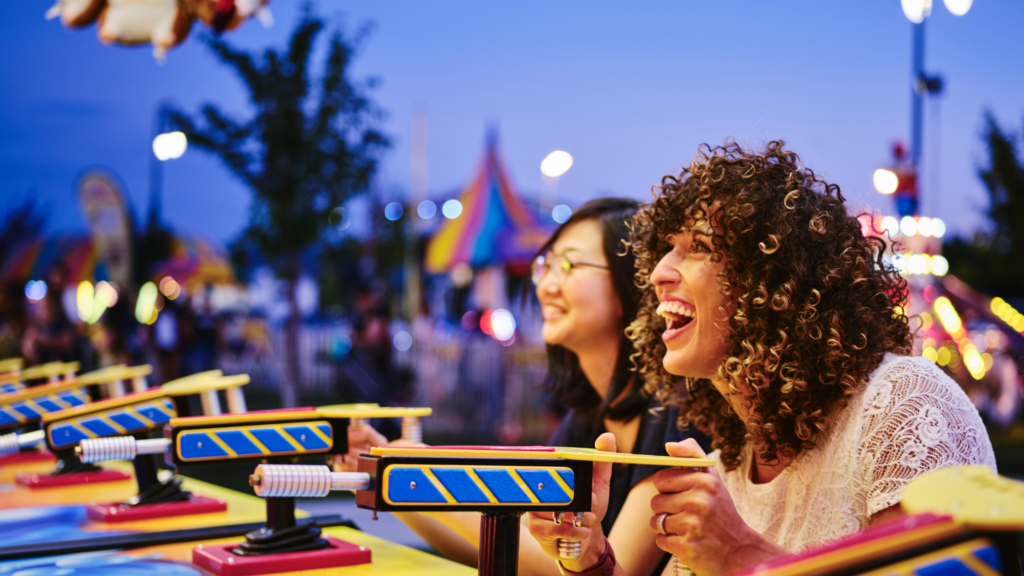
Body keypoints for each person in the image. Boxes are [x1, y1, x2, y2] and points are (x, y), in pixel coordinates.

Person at [527, 141, 997, 576]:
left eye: (700, 247)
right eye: (666, 250)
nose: (658, 274)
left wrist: (740, 555)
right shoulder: (728, 467)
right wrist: (589, 557)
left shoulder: (905, 406)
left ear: (773, 284)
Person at [346, 197, 707, 575]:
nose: (546, 285)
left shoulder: (676, 416)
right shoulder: (586, 420)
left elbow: (586, 567)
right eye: (545, 267)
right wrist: (386, 476)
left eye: (567, 265)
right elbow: (505, 553)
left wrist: (415, 478)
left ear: (631, 281)